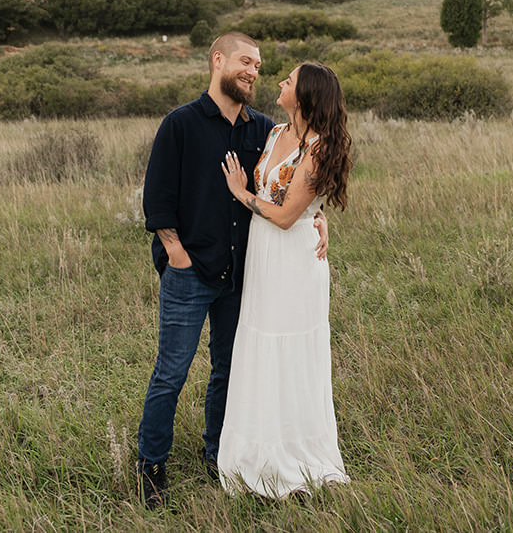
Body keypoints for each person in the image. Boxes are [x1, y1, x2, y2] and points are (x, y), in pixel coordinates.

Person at [136, 32, 327, 509]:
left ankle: (218, 453)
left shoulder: (261, 128)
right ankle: (150, 466)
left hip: (243, 276)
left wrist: (318, 218)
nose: (253, 72)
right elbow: (157, 201)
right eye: (245, 61)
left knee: (229, 370)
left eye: (259, 66)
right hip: (188, 273)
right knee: (171, 372)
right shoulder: (179, 124)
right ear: (217, 60)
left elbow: (288, 188)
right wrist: (176, 253)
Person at [216, 61, 352, 499]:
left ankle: (293, 452)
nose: (279, 82)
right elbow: (292, 200)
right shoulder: (275, 133)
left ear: (306, 95)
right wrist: (319, 214)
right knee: (259, 344)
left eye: (289, 81)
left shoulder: (318, 146)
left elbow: (287, 213)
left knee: (288, 348)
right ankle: (256, 448)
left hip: (294, 261)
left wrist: (241, 194)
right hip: (264, 259)